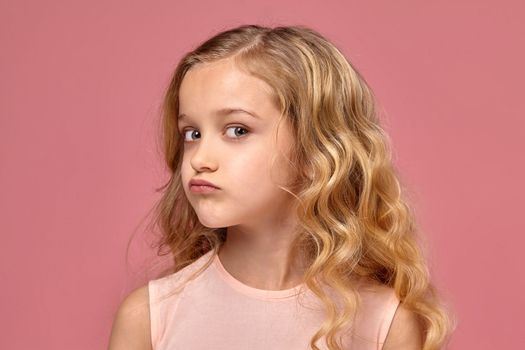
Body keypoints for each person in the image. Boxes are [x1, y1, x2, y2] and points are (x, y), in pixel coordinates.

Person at [108, 24, 455, 350]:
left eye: (237, 130)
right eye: (192, 134)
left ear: (315, 146)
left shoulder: (386, 322)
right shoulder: (149, 318)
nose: (200, 158)